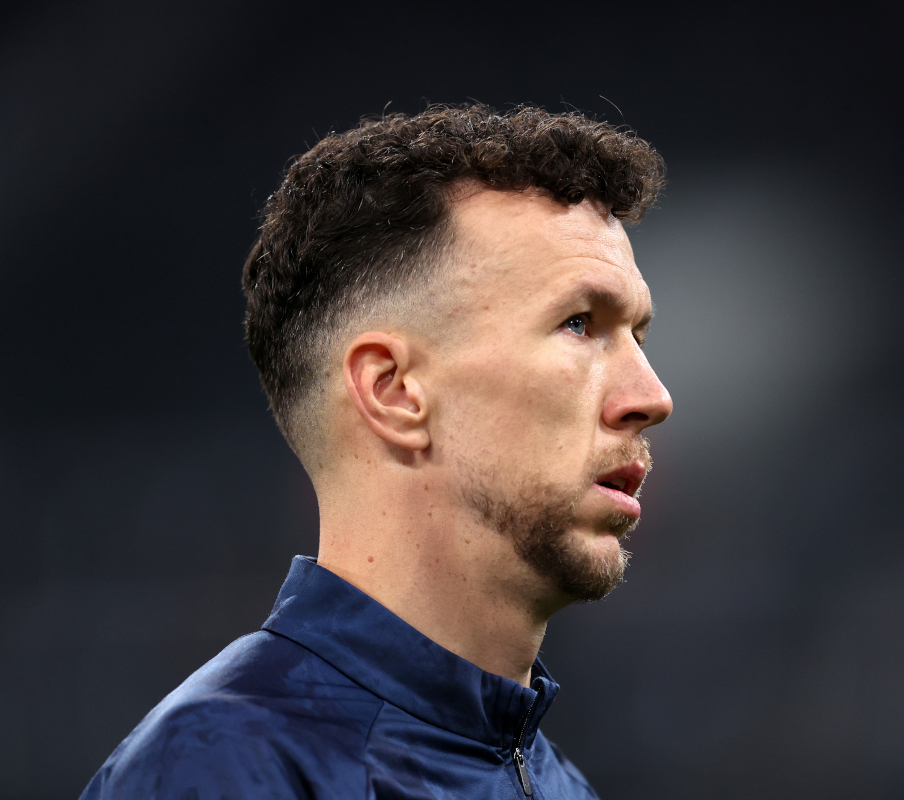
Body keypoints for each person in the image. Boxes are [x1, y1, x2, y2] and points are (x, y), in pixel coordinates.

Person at [80, 104, 673, 799]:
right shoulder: (220, 770)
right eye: (580, 324)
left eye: (638, 335)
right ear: (393, 390)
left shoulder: (561, 784)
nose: (652, 396)